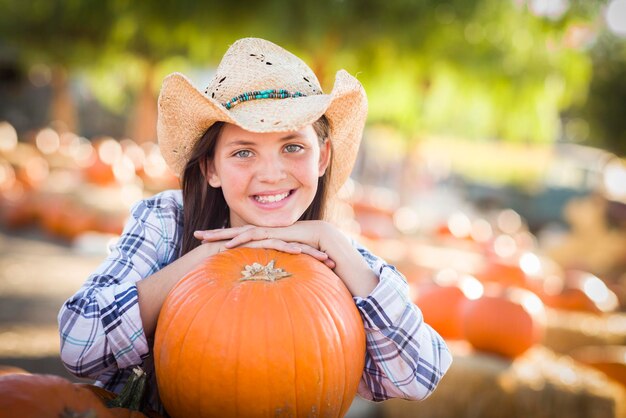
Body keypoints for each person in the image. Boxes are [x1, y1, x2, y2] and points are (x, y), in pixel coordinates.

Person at [58, 37, 452, 413]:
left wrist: (332, 240)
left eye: (292, 147)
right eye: (244, 152)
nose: (271, 174)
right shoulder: (169, 220)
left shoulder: (336, 256)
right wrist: (204, 258)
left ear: (322, 157)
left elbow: (420, 374)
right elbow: (78, 343)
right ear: (211, 167)